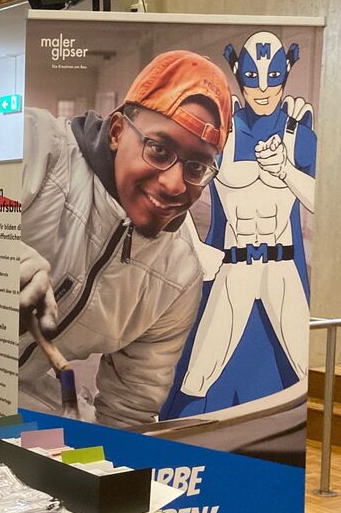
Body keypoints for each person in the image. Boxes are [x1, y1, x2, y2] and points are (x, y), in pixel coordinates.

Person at [19, 50, 233, 427]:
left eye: (197, 166)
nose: (174, 184)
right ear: (118, 131)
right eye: (159, 150)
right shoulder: (36, 147)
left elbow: (129, 408)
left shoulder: (180, 274)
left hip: (15, 396)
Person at [162, 32, 315, 418]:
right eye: (252, 77)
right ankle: (176, 437)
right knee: (200, 371)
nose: (263, 89)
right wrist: (197, 249)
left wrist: (286, 170)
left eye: (273, 76)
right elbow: (173, 189)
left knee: (305, 367)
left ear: (286, 72)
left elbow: (319, 201)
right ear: (237, 73)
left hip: (281, 268)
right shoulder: (222, 135)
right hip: (235, 267)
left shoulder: (298, 132)